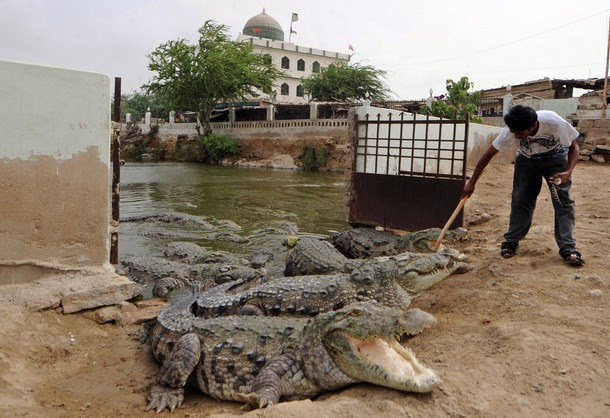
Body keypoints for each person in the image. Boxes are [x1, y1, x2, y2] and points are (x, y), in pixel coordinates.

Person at [462, 105, 584, 266]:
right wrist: (471, 183)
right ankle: (511, 241)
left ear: (533, 125)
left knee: (562, 200)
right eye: (514, 133)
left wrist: (567, 171)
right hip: (526, 159)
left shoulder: (554, 123)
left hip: (555, 157)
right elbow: (488, 154)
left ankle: (568, 247)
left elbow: (574, 146)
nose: (516, 137)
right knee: (520, 199)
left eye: (520, 134)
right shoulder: (511, 130)